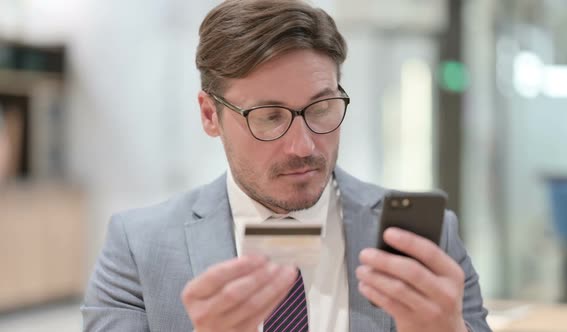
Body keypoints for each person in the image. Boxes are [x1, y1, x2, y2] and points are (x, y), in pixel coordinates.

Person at [82, 1, 491, 331]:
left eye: (322, 107)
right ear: (210, 116)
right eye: (269, 117)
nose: (303, 145)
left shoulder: (423, 240)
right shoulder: (138, 248)